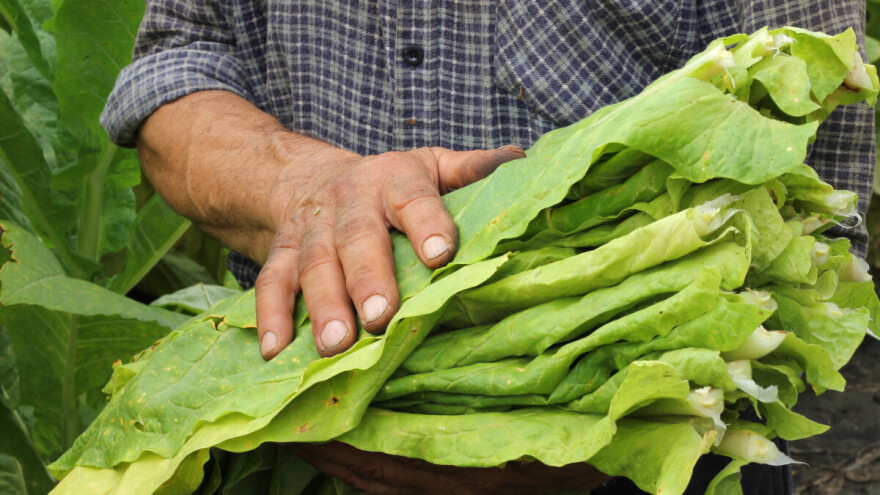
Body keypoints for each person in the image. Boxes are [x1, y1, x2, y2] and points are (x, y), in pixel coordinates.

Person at [103, 1, 874, 493]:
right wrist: (304, 185)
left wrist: (586, 430)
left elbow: (814, 212)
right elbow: (177, 65)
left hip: (658, 455)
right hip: (302, 426)